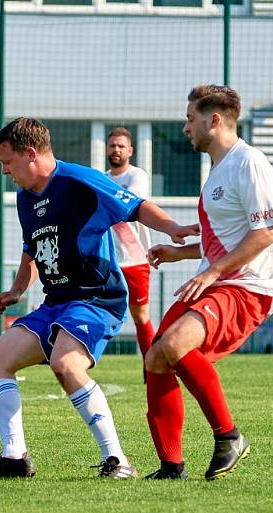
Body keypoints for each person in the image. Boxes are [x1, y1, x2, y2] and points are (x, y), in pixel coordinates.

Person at [0, 117, 197, 479]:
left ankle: (118, 461)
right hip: (55, 303)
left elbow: (135, 206)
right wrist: (17, 291)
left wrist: (173, 228)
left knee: (66, 364)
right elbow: (34, 250)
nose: (5, 171)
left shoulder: (79, 181)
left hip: (96, 298)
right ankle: (14, 457)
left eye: (7, 162)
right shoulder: (24, 198)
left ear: (30, 154)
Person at [144, 85, 273, 481]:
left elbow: (266, 233)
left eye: (190, 118)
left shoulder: (249, 163)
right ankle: (172, 466)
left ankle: (229, 437)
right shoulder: (218, 171)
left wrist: (211, 272)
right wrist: (183, 253)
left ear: (214, 120)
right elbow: (227, 238)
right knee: (156, 357)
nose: (184, 127)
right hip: (220, 280)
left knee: (175, 345)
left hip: (249, 285)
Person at [105, 127, 155, 366]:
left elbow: (126, 207)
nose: (116, 150)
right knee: (95, 310)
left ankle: (152, 367)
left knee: (141, 315)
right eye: (113, 145)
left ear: (130, 151)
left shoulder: (138, 177)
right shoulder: (102, 179)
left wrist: (104, 200)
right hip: (107, 260)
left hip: (135, 259)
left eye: (121, 146)